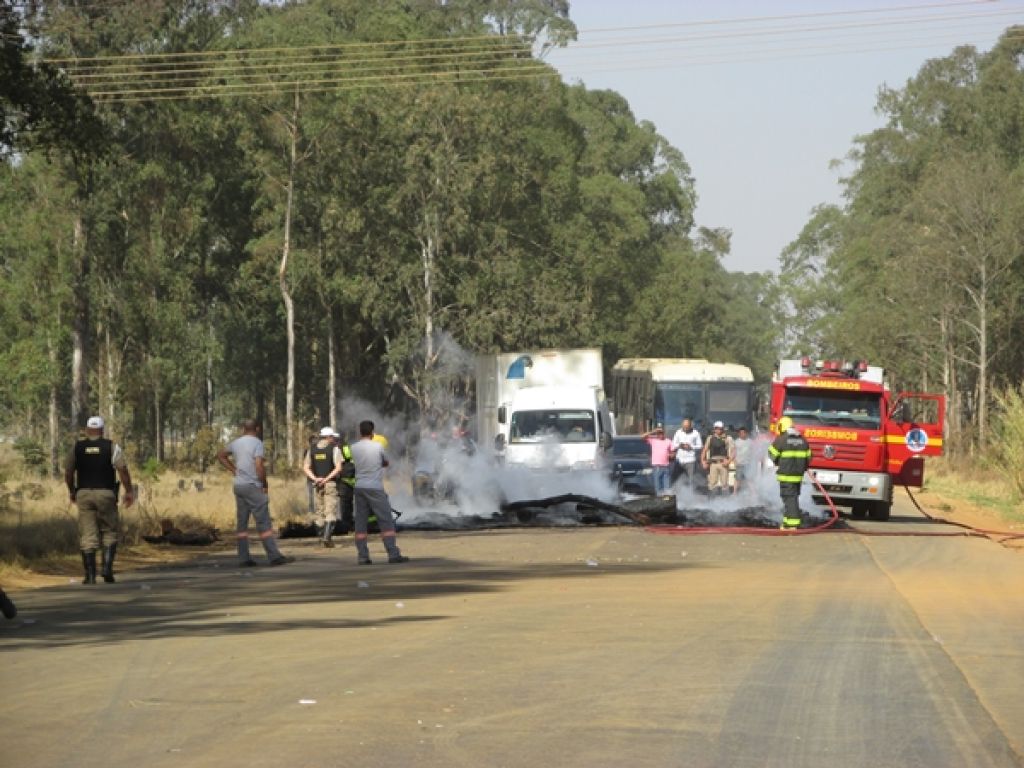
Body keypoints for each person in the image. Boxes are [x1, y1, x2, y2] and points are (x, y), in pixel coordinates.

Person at [64, 416, 134, 585]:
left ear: (87, 430)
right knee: (109, 531)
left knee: (88, 534)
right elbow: (122, 470)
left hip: (84, 494)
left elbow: (68, 471)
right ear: (102, 430)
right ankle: (107, 569)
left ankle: (90, 576)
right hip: (106, 494)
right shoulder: (111, 447)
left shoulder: (77, 448)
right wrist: (129, 491)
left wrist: (72, 490)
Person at [217, 419, 289, 566]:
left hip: (239, 486)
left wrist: (234, 470)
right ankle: (274, 556)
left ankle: (243, 558)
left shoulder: (236, 443)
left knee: (242, 524)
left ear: (244, 429)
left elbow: (221, 455)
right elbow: (259, 466)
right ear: (257, 429)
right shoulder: (257, 443)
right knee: (263, 522)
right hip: (253, 486)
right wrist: (264, 483)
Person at [350, 419, 408, 565]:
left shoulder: (354, 447)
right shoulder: (378, 447)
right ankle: (393, 554)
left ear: (360, 432)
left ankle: (363, 556)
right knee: (385, 520)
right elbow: (386, 463)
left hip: (359, 487)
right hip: (375, 487)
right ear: (372, 432)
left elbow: (353, 463)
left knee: (361, 522)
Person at [768, 416, 812, 530]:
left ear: (782, 426)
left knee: (789, 498)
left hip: (786, 475)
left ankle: (792, 524)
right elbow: (809, 458)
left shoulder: (782, 439)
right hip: (798, 476)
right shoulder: (803, 440)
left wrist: (777, 461)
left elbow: (772, 454)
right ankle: (787, 521)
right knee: (793, 497)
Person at [303, 426, 342, 547]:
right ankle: (327, 539)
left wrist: (315, 479)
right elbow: (338, 468)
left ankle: (320, 539)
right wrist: (326, 479)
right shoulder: (334, 449)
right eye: (332, 437)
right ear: (329, 437)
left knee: (319, 512)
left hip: (317, 484)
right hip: (330, 484)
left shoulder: (312, 449)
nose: (334, 439)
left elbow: (305, 467)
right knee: (330, 511)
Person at [701, 421, 735, 496]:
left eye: (720, 429)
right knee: (712, 484)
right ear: (714, 429)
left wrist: (728, 461)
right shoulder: (710, 438)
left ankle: (725, 502)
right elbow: (705, 450)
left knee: (724, 484)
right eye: (717, 428)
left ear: (723, 429)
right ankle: (712, 502)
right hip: (713, 464)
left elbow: (733, 452)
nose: (718, 430)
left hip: (723, 463)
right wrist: (703, 462)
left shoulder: (728, 438)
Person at [643, 424, 674, 496]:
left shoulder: (668, 441)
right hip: (657, 467)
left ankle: (667, 502)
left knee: (667, 488)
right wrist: (653, 431)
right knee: (658, 487)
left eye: (661, 433)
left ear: (664, 433)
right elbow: (642, 437)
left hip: (666, 467)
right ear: (656, 434)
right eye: (658, 433)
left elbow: (673, 452)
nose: (660, 435)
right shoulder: (653, 440)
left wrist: (672, 455)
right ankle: (660, 501)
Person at [671, 418, 702, 488]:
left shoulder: (696, 433)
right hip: (679, 460)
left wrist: (691, 447)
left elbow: (700, 446)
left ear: (690, 426)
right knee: (677, 479)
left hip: (690, 460)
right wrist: (680, 445)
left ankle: (691, 495)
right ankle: (678, 495)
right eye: (684, 426)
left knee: (691, 480)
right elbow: (673, 444)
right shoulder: (678, 432)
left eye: (687, 427)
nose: (685, 428)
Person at [336, 432, 356, 535]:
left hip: (343, 480)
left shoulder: (339, 448)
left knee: (345, 505)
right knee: (347, 504)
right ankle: (348, 525)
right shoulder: (343, 447)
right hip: (345, 480)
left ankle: (347, 525)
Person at [732, 425, 754, 494]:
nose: (742, 434)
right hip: (739, 464)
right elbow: (733, 452)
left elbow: (753, 452)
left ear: (746, 433)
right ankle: (734, 493)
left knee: (749, 479)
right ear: (739, 434)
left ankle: (753, 493)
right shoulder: (736, 442)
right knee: (737, 479)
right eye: (740, 433)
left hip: (748, 464)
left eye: (743, 433)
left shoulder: (750, 442)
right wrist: (735, 461)